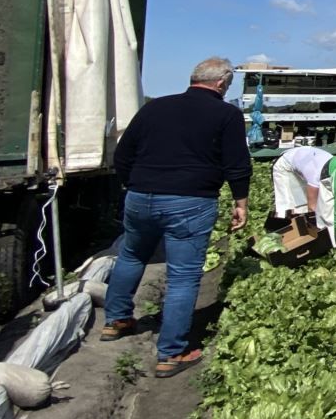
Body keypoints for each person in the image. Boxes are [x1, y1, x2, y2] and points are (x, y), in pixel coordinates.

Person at [101, 57, 249, 379]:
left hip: (141, 196)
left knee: (130, 255)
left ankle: (116, 321)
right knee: (182, 276)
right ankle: (171, 353)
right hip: (190, 201)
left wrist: (134, 185)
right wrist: (241, 202)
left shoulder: (155, 108)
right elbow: (237, 163)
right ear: (222, 83)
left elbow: (123, 154)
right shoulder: (227, 114)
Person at [271, 145, 333, 224]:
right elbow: (312, 207)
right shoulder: (315, 176)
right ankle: (282, 231)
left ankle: (303, 230)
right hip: (285, 165)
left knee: (303, 205)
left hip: (304, 161)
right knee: (286, 205)